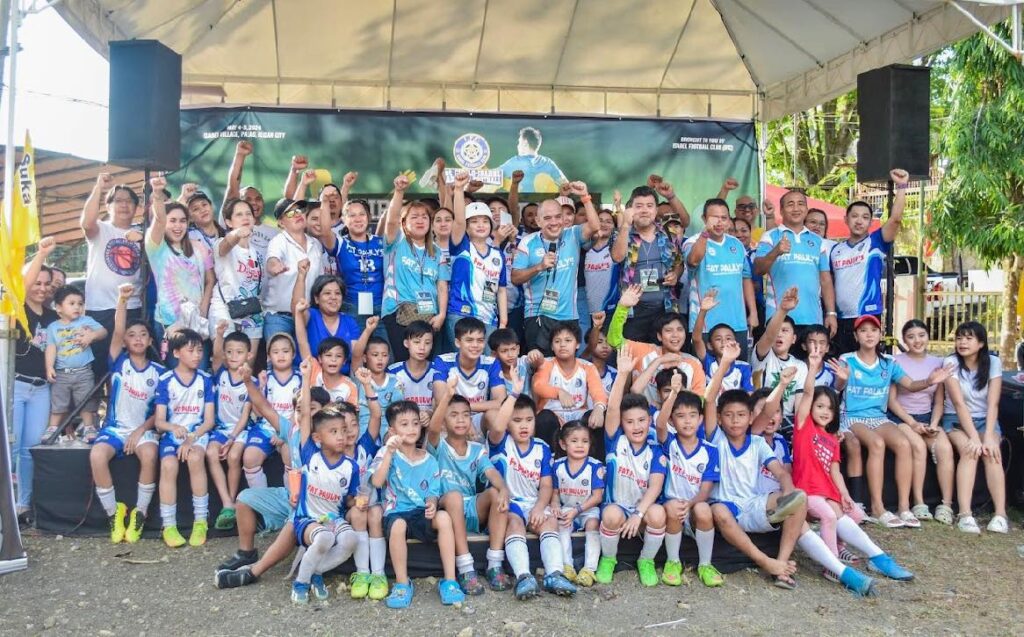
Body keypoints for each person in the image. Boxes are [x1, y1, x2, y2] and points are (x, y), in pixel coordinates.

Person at [703, 342, 875, 593]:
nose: (735, 420)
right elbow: (709, 400)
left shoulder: (758, 442)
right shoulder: (715, 437)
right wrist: (726, 363)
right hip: (727, 507)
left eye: (741, 415)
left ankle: (782, 564)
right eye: (728, 415)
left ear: (750, 418)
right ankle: (766, 562)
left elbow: (781, 472)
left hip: (753, 505)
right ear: (719, 418)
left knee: (799, 498)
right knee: (717, 510)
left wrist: (788, 492)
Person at [794, 352, 914, 582]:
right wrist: (813, 367)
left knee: (856, 514)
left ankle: (876, 557)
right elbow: (808, 392)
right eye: (819, 406)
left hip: (827, 491)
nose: (824, 412)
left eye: (830, 408)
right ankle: (833, 564)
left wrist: (845, 495)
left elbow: (835, 470)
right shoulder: (804, 427)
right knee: (829, 516)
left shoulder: (832, 438)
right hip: (807, 491)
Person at [839, 314, 951, 529]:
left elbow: (909, 384)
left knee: (904, 444)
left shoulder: (888, 363)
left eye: (873, 330)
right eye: (863, 330)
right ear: (855, 335)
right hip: (852, 417)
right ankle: (878, 507)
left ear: (880, 335)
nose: (869, 334)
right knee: (877, 444)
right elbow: (837, 387)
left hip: (879, 418)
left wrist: (929, 381)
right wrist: (842, 379)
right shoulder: (848, 359)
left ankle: (903, 507)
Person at [486, 374, 577, 600]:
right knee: (514, 524)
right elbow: (497, 424)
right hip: (511, 505)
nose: (524, 425)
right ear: (508, 422)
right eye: (516, 421)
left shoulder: (543, 448)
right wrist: (514, 393)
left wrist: (539, 507)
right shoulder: (500, 443)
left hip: (532, 503)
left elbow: (546, 485)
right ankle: (523, 576)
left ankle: (554, 573)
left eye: (528, 420)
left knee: (549, 521)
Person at [370, 400, 466, 609]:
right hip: (397, 512)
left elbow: (433, 492)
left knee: (443, 517)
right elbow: (377, 482)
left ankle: (449, 580)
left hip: (421, 513)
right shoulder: (386, 455)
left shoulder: (429, 459)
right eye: (404, 424)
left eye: (415, 423)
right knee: (398, 526)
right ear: (392, 430)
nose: (411, 429)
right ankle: (403, 583)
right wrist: (388, 452)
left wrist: (432, 503)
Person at [90, 283, 163, 543]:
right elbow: (118, 329)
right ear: (125, 341)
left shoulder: (159, 372)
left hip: (142, 430)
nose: (137, 339)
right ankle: (114, 513)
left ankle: (139, 514)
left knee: (150, 455)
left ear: (150, 340)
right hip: (115, 429)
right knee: (97, 455)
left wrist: (140, 430)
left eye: (143, 334)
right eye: (132, 335)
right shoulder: (118, 361)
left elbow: (160, 412)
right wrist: (122, 300)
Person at [428, 379, 514, 593]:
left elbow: (491, 473)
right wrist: (446, 395)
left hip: (472, 508)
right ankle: (466, 567)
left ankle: (494, 564)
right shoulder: (438, 445)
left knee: (495, 493)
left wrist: (503, 489)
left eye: (466, 415)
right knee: (455, 496)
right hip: (446, 506)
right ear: (444, 420)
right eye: (453, 415)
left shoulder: (477, 449)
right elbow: (433, 427)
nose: (460, 420)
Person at [289, 359, 360, 605]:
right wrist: (307, 378)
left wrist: (358, 501)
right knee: (324, 539)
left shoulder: (351, 467)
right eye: (334, 432)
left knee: (351, 539)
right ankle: (301, 581)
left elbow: (350, 499)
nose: (341, 436)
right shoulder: (311, 454)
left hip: (333, 519)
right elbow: (306, 416)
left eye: (343, 430)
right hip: (306, 520)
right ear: (318, 437)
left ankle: (315, 571)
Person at [595, 345, 667, 587]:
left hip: (641, 510)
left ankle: (645, 561)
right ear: (622, 424)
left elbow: (655, 487)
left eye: (641, 421)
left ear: (650, 421)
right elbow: (613, 407)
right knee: (611, 515)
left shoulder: (656, 450)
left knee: (658, 513)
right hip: (618, 506)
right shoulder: (616, 441)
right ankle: (609, 559)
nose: (636, 426)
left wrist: (639, 514)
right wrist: (623, 374)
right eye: (630, 422)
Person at [654, 370, 725, 588]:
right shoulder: (670, 443)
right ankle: (673, 561)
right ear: (673, 421)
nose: (687, 421)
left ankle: (705, 564)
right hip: (673, 507)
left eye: (693, 415)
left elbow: (705, 488)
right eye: (681, 416)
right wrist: (674, 392)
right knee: (674, 506)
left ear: (701, 419)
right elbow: (659, 424)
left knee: (704, 509)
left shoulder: (710, 450)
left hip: (694, 506)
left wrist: (691, 503)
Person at [512, 183, 600, 355]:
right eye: (547, 218)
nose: (554, 222)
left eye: (558, 217)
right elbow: (515, 277)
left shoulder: (573, 234)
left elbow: (595, 226)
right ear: (538, 221)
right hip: (538, 315)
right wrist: (539, 267)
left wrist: (585, 197)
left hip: (569, 316)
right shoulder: (528, 242)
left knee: (567, 368)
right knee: (540, 370)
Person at [830, 169, 909, 354]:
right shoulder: (835, 250)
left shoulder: (875, 241)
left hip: (867, 314)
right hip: (840, 319)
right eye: (855, 216)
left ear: (870, 222)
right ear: (846, 219)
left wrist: (902, 186)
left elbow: (896, 219)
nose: (859, 221)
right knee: (843, 367)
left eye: (865, 217)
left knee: (867, 363)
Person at [941, 321, 1009, 534]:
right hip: (956, 419)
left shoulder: (993, 362)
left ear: (981, 343)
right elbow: (959, 404)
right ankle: (964, 514)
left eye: (969, 338)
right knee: (970, 451)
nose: (962, 342)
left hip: (985, 419)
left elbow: (993, 403)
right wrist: (974, 438)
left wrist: (988, 436)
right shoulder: (950, 362)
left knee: (992, 453)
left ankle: (1000, 515)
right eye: (959, 338)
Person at [887, 319, 957, 525]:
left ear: (927, 336)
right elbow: (891, 401)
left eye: (921, 335)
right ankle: (918, 502)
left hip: (928, 417)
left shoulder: (938, 363)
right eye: (910, 337)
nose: (917, 340)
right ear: (904, 340)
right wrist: (912, 423)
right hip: (901, 417)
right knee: (917, 446)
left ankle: (946, 504)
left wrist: (934, 424)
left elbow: (938, 401)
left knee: (944, 448)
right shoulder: (895, 361)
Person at [155, 329, 215, 548]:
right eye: (191, 350)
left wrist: (191, 439)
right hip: (173, 436)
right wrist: (173, 428)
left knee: (196, 458)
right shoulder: (166, 380)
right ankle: (169, 525)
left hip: (197, 434)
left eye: (199, 350)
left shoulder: (206, 380)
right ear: (177, 353)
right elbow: (159, 421)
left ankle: (201, 522)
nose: (197, 355)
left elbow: (209, 421)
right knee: (169, 465)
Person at [80, 173, 144, 380]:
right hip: (99, 308)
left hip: (132, 308)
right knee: (99, 366)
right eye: (118, 201)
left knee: (127, 366)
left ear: (136, 207)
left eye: (129, 201)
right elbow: (87, 222)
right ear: (108, 206)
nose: (124, 205)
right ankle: (100, 410)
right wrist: (98, 187)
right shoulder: (102, 229)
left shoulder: (142, 234)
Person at [144, 176, 214, 361]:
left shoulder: (199, 247)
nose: (178, 225)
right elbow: (159, 220)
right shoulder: (156, 248)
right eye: (172, 220)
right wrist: (158, 194)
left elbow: (210, 280)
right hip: (170, 323)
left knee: (199, 376)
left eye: (182, 221)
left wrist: (203, 310)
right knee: (175, 379)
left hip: (196, 322)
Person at [14, 238, 58, 520]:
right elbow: (23, 284)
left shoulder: (54, 317)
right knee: (10, 446)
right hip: (15, 385)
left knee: (31, 448)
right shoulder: (16, 309)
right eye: (37, 282)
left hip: (42, 388)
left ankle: (23, 505)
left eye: (46, 284)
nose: (41, 288)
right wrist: (41, 254)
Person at [380, 175, 447, 360]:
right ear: (404, 223)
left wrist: (441, 314)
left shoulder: (438, 252)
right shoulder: (396, 243)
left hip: (429, 316)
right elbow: (391, 221)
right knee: (402, 364)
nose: (420, 220)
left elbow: (442, 286)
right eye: (414, 217)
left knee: (424, 366)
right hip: (398, 312)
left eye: (424, 217)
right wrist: (400, 191)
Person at [754, 189, 837, 335]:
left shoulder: (818, 241)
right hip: (779, 319)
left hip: (812, 318)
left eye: (800, 204)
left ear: (806, 209)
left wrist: (831, 313)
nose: (796, 208)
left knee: (810, 358)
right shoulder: (770, 237)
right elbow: (758, 269)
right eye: (790, 204)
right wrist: (776, 251)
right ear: (781, 210)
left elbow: (825, 280)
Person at [607, 284, 706, 403]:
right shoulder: (644, 352)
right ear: (659, 336)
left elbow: (700, 402)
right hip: (645, 417)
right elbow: (614, 341)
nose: (675, 335)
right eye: (668, 330)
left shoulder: (693, 363)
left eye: (680, 330)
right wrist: (622, 308)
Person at [684, 198, 756, 359]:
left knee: (738, 372)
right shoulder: (692, 242)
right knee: (707, 376)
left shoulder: (736, 245)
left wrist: (753, 312)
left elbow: (746, 278)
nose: (719, 222)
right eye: (714, 217)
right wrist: (705, 233)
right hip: (704, 325)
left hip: (736, 322)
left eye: (724, 218)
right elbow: (693, 260)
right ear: (704, 219)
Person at [610, 185, 683, 343]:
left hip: (666, 306)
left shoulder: (669, 233)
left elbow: (679, 263)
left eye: (649, 206)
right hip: (634, 309)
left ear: (656, 211)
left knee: (665, 359)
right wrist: (625, 225)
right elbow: (617, 257)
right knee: (634, 359)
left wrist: (676, 274)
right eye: (639, 206)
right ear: (630, 209)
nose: (644, 210)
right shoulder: (621, 233)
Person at [446, 173, 509, 344]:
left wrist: (503, 322)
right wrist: (459, 190)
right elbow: (458, 221)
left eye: (485, 221)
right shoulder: (461, 246)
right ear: (466, 227)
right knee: (460, 366)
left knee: (485, 366)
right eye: (474, 221)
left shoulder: (497, 254)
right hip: (461, 315)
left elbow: (501, 289)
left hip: (489, 319)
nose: (481, 225)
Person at [316, 195, 386, 337]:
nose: (358, 219)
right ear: (343, 219)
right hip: (352, 305)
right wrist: (324, 202)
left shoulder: (381, 242)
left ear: (369, 217)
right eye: (352, 215)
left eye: (362, 214)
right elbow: (324, 231)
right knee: (354, 353)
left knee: (383, 354)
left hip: (381, 306)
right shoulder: (341, 243)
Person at [206, 328, 255, 530]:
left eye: (239, 352)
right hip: (221, 428)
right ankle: (227, 502)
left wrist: (232, 438)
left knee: (234, 457)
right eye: (230, 351)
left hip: (241, 430)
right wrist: (219, 335)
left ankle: (233, 501)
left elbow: (245, 416)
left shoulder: (250, 382)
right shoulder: (221, 374)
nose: (234, 356)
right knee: (211, 452)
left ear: (249, 355)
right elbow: (216, 355)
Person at [44, 286, 107, 440]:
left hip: (84, 371)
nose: (77, 307)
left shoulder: (86, 321)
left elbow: (103, 332)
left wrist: (91, 336)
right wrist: (49, 366)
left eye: (80, 303)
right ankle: (52, 428)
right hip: (61, 372)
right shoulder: (53, 327)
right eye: (71, 303)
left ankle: (88, 427)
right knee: (58, 401)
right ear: (58, 307)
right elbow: (51, 348)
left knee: (86, 400)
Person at [430, 317, 506, 439]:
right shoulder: (443, 361)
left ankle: (497, 455)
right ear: (457, 342)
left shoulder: (491, 363)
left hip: (478, 418)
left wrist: (467, 411)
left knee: (494, 415)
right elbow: (440, 400)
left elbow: (501, 402)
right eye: (469, 340)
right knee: (437, 408)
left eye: (480, 340)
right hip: (451, 416)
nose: (475, 345)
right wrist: (463, 416)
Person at [241, 332, 299, 490]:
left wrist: (284, 434)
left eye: (286, 351)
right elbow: (258, 413)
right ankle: (264, 503)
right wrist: (260, 387)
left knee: (290, 455)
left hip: (289, 428)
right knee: (249, 457)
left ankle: (290, 503)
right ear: (268, 356)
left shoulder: (300, 379)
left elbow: (300, 412)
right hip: (265, 428)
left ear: (293, 354)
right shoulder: (265, 378)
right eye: (275, 352)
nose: (281, 355)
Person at [551, 421, 604, 587]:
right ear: (563, 444)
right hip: (568, 508)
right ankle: (567, 566)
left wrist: (578, 510)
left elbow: (597, 497)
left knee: (593, 525)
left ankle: (589, 569)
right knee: (561, 524)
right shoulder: (558, 466)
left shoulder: (595, 466)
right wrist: (555, 506)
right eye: (574, 441)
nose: (580, 445)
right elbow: (555, 493)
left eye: (585, 441)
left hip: (588, 509)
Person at [210, 198, 264, 353]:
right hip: (225, 311)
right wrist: (237, 233)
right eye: (239, 215)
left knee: (248, 362)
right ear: (228, 221)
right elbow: (225, 246)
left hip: (252, 314)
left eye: (248, 214)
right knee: (226, 362)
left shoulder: (257, 253)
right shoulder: (220, 243)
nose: (245, 218)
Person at [262, 198, 321, 342]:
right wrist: (274, 266)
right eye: (290, 213)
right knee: (278, 362)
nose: (297, 214)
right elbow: (272, 260)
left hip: (308, 315)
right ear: (281, 223)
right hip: (280, 317)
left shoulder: (316, 244)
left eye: (299, 210)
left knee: (308, 362)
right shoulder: (278, 241)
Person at [531, 322, 608, 426]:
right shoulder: (547, 364)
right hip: (553, 414)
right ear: (552, 347)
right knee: (545, 418)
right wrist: (559, 392)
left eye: (568, 340)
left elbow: (598, 392)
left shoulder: (587, 367)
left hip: (578, 415)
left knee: (597, 416)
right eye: (557, 341)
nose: (562, 345)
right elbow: (538, 386)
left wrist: (599, 408)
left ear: (577, 344)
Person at [221, 140, 278, 263]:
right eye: (248, 200)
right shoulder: (229, 226)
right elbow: (232, 187)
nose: (254, 203)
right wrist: (240, 155)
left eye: (258, 199)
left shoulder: (274, 233)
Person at [293, 271, 360, 372]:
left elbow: (355, 356)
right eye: (327, 293)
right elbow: (298, 307)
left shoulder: (350, 322)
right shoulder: (311, 315)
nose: (333, 297)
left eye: (337, 293)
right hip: (310, 378)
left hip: (341, 382)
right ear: (316, 299)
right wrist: (302, 276)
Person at [693, 290, 754, 396]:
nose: (724, 342)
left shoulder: (744, 367)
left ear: (736, 343)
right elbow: (696, 339)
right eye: (718, 339)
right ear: (710, 345)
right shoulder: (708, 362)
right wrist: (703, 311)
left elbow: (749, 395)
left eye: (728, 338)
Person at [497, 126, 568, 193]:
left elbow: (492, 176)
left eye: (519, 142)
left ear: (525, 143)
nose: (517, 145)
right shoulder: (548, 163)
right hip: (545, 204)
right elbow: (566, 186)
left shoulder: (515, 162)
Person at [387, 321, 435, 416]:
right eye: (416, 342)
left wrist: (430, 413)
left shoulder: (437, 370)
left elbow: (441, 401)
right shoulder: (393, 372)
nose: (422, 347)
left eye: (427, 343)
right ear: (406, 343)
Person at [582, 209, 616, 317]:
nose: (604, 224)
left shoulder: (616, 249)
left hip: (609, 308)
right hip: (584, 309)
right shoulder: (583, 248)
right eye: (600, 220)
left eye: (609, 221)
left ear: (614, 226)